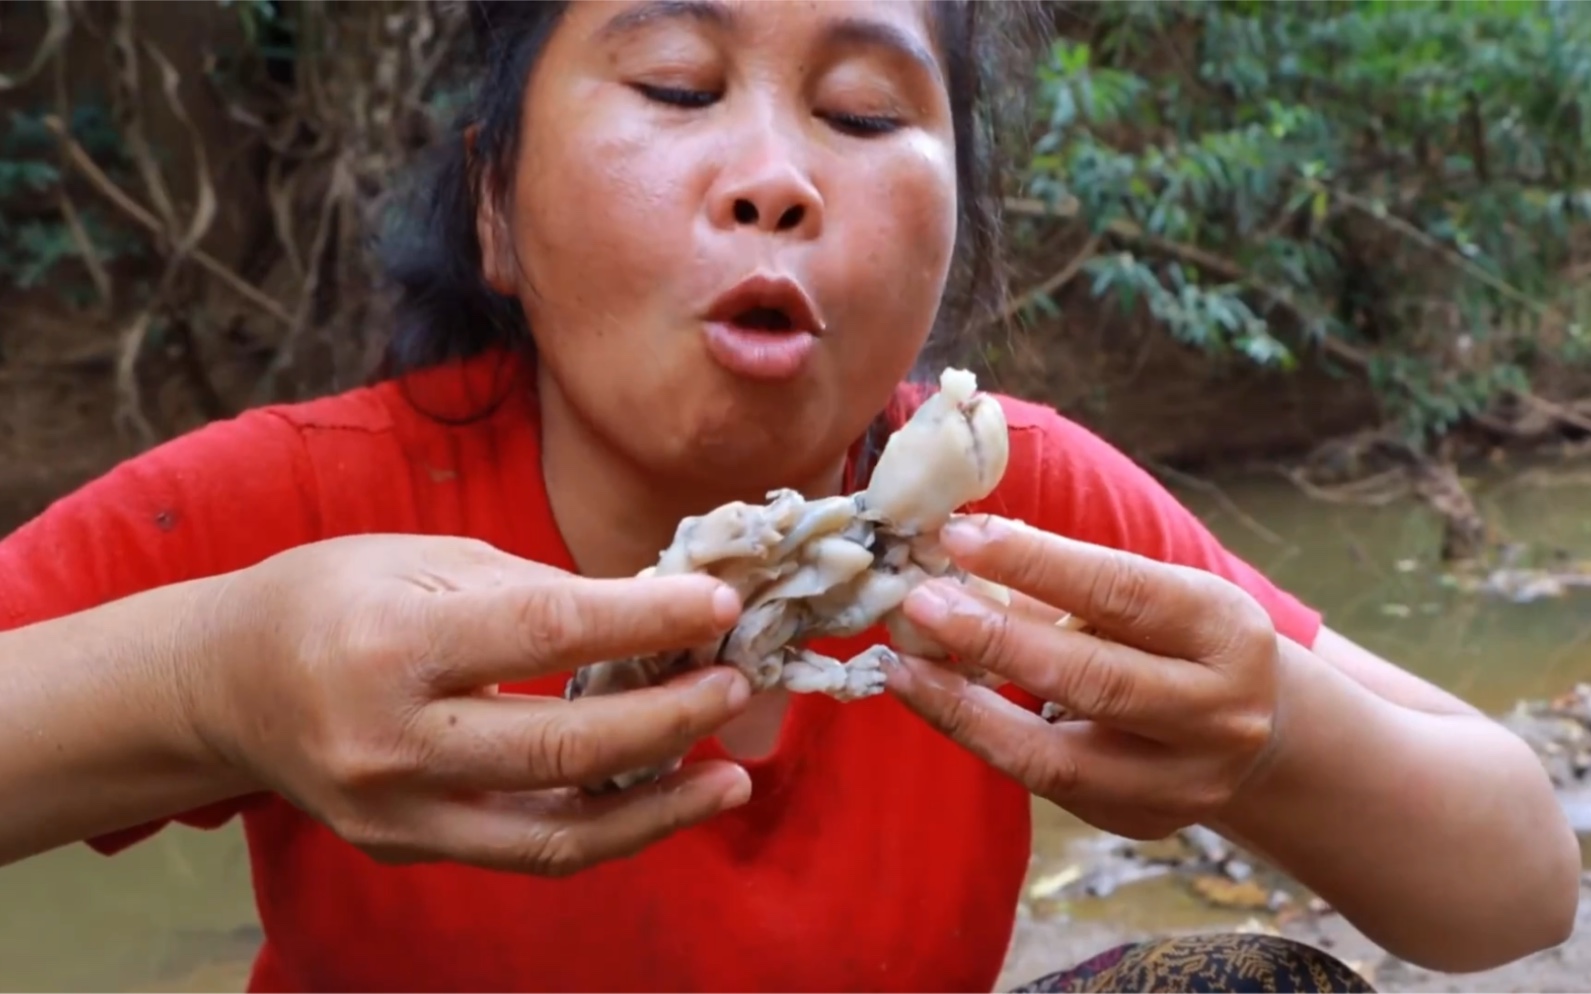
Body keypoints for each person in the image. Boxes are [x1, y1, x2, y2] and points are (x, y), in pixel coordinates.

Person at [0, 1, 1577, 991]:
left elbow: (1520, 880)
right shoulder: (309, 510)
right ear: (495, 205)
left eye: (867, 113)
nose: (777, 176)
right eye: (679, 83)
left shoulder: (1023, 524)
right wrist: (213, 681)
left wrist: (1270, 730)